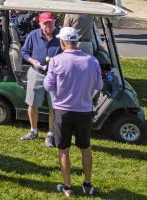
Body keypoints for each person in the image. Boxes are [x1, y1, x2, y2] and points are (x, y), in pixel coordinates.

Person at [44, 27, 103, 197]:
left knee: (64, 149)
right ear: (77, 42)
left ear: (62, 43)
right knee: (85, 148)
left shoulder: (56, 61)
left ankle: (68, 187)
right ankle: (87, 184)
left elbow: (48, 86)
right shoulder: (92, 61)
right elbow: (99, 86)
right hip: (84, 111)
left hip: (63, 111)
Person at [20, 12, 61, 146]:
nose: (48, 25)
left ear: (54, 22)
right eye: (45, 23)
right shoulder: (33, 35)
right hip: (36, 72)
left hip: (55, 75)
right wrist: (32, 61)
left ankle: (51, 134)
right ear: (40, 24)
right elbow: (24, 52)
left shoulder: (61, 35)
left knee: (53, 106)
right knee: (32, 103)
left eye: (51, 22)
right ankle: (33, 130)